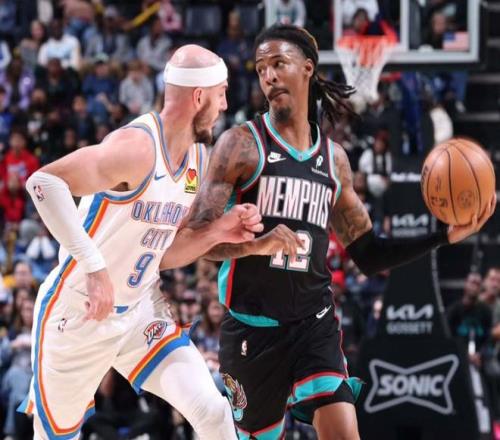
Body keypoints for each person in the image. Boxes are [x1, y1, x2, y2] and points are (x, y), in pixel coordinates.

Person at [168, 24, 496, 439]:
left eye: (279, 63)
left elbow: (369, 254)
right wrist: (256, 245)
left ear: (307, 68)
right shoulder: (240, 145)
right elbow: (195, 241)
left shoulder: (334, 160)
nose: (268, 75)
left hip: (314, 323)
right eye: (261, 68)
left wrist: (442, 236)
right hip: (252, 330)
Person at [19, 44, 271, 440]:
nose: (225, 104)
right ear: (199, 97)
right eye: (221, 93)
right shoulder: (136, 148)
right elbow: (43, 183)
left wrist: (217, 231)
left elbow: (162, 255)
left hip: (139, 311)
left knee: (212, 410)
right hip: (80, 312)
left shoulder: (197, 159)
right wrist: (94, 266)